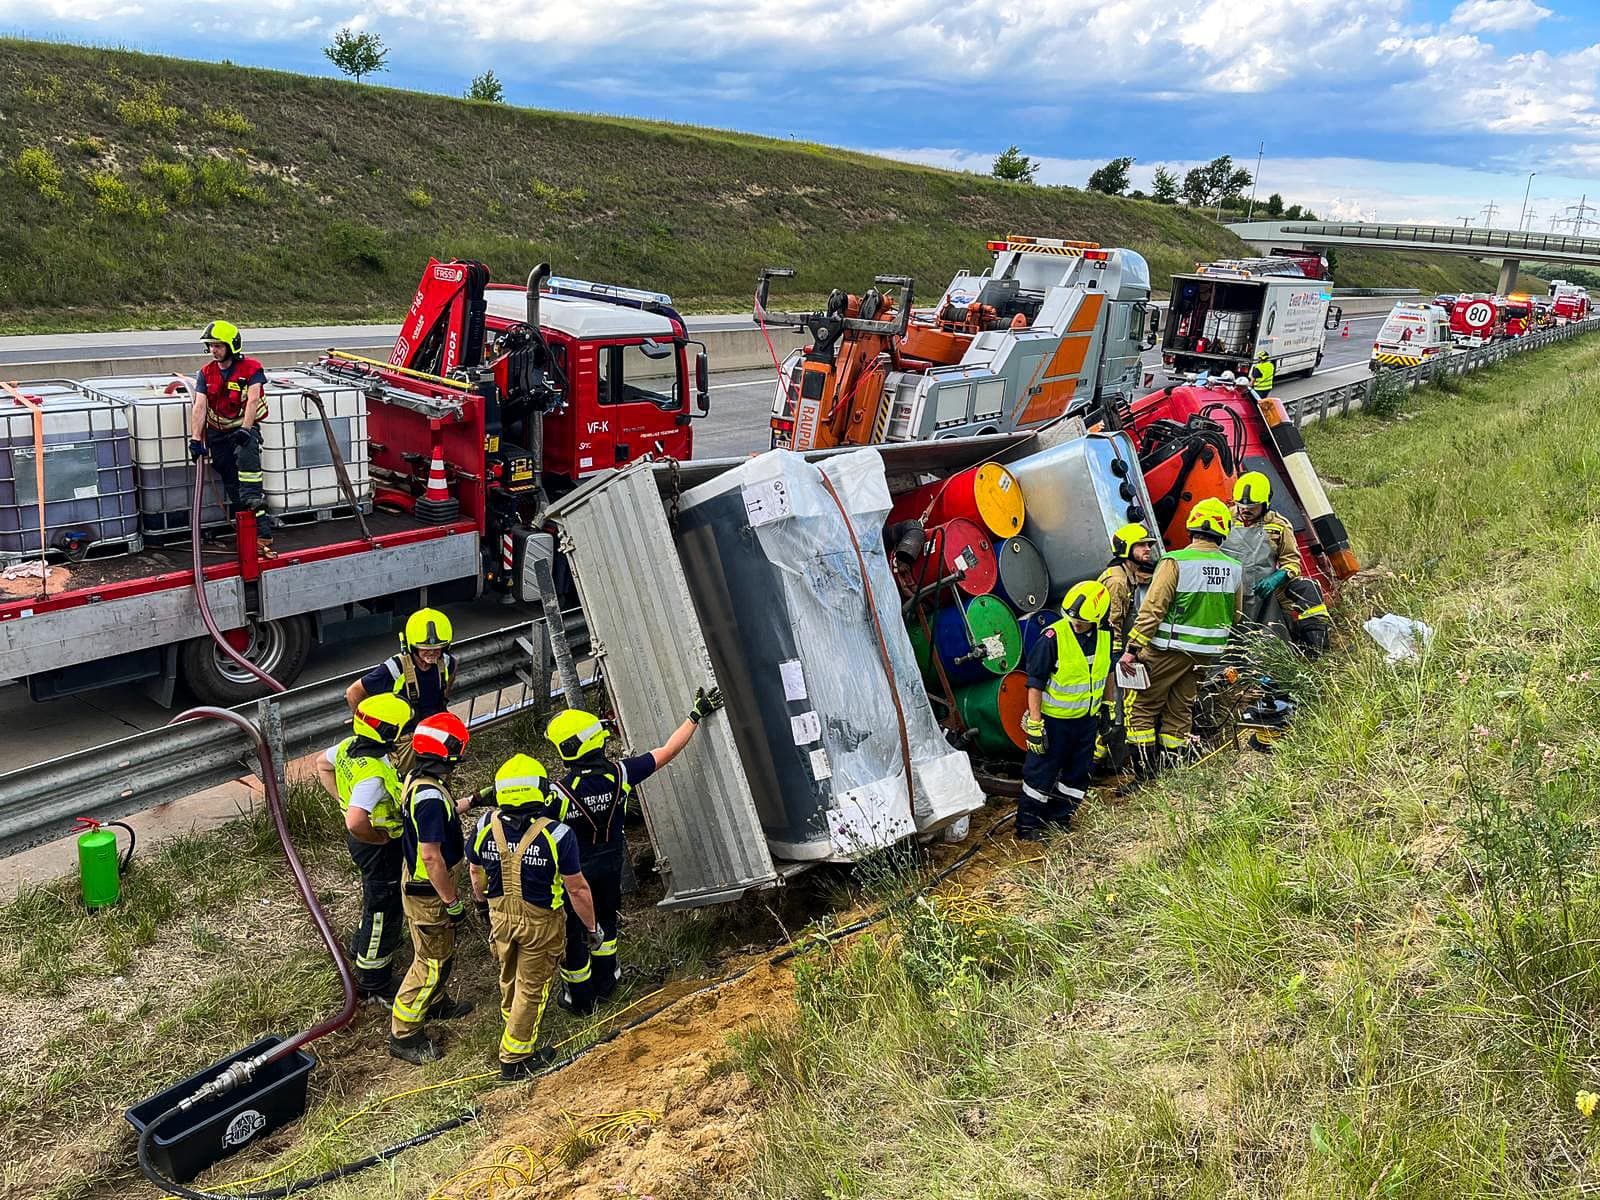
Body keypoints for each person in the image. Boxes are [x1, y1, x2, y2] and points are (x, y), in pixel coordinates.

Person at [544, 685, 724, 1015]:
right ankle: (608, 982)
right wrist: (696, 714)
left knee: (575, 931)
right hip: (611, 866)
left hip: (575, 873)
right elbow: (668, 751)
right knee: (606, 924)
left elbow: (526, 817)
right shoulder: (621, 773)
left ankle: (579, 999)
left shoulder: (556, 793)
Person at [466, 755, 602, 1080]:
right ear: (541, 791)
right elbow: (577, 890)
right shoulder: (558, 834)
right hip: (541, 923)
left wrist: (481, 905)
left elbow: (475, 870)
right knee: (533, 987)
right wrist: (591, 927)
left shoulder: (486, 824)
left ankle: (512, 1023)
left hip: (500, 917)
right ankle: (515, 1058)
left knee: (509, 975)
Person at [1120, 498, 1243, 776]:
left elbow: (1153, 608)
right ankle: (1172, 772)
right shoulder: (1234, 567)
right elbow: (1236, 615)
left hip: (1167, 650)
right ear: (1223, 531)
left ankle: (1144, 777)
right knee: (1179, 709)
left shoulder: (1175, 561)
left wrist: (1132, 647)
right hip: (1206, 654)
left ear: (1192, 528)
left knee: (1140, 707)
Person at [315, 692, 414, 1002]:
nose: (408, 733)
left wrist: (342, 802)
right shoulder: (373, 774)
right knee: (383, 907)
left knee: (376, 897)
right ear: (387, 734)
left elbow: (322, 764)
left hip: (367, 843)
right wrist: (377, 837)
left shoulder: (347, 747)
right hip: (376, 846)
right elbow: (357, 821)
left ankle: (365, 945)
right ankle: (374, 979)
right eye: (404, 728)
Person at [390, 711, 476, 1064]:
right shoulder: (428, 797)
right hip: (429, 893)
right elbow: (431, 856)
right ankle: (405, 1033)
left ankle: (436, 1002)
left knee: (442, 953)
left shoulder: (421, 781)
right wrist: (452, 900)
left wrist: (474, 801)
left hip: (424, 888)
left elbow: (441, 814)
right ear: (446, 750)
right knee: (431, 961)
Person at [1018, 580, 1112, 840]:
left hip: (1086, 721)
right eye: (1071, 618)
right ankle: (1028, 826)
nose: (1075, 623)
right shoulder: (1053, 637)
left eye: (1081, 620)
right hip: (1054, 722)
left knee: (1078, 773)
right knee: (1040, 774)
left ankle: (1060, 818)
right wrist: (1035, 724)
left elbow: (1108, 671)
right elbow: (1034, 683)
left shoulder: (1106, 635)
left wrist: (1108, 706)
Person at [188, 320, 276, 557]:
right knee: (227, 474)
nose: (213, 350)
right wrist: (196, 439)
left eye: (218, 345)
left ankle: (262, 532)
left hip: (243, 429)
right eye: (211, 346)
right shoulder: (206, 373)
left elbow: (254, 399)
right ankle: (244, 525)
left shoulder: (251, 369)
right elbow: (200, 406)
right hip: (218, 433)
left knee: (249, 480)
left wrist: (246, 430)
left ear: (231, 346)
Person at [1227, 472, 1331, 657]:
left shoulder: (1279, 526)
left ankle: (1316, 652)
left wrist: (1278, 577)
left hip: (1265, 589)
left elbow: (1292, 562)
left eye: (1252, 506)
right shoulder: (1224, 519)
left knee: (1309, 589)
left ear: (1266, 503)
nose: (1245, 510)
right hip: (1230, 589)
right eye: (1241, 505)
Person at [1094, 523, 1160, 775]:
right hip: (1111, 655)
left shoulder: (1127, 573)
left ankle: (1104, 763)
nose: (1147, 549)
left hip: (1116, 654)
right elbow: (1112, 625)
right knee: (1117, 711)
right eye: (1142, 545)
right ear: (1126, 549)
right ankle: (1097, 766)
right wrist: (1121, 660)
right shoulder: (1117, 581)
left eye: (1148, 545)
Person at [346, 607, 458, 721]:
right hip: (405, 732)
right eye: (425, 648)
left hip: (433, 726)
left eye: (437, 648)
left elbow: (453, 668)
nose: (432, 652)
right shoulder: (396, 668)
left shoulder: (446, 662)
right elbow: (353, 692)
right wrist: (365, 724)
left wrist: (443, 699)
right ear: (412, 647)